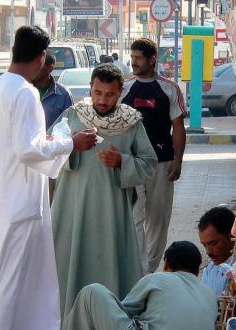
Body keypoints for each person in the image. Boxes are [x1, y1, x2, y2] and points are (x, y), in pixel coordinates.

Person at [0, 26, 97, 330]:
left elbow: (14, 143)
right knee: (14, 288)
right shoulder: (25, 92)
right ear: (41, 57)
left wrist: (48, 142)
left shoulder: (0, 87)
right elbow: (28, 149)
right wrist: (71, 143)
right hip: (17, 206)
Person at [50, 63, 157, 315]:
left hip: (112, 213)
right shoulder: (72, 116)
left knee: (110, 267)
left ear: (120, 92)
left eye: (109, 94)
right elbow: (47, 150)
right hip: (72, 209)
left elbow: (149, 164)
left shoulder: (130, 122)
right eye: (97, 93)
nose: (102, 99)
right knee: (66, 265)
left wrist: (122, 161)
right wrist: (72, 146)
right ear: (90, 89)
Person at [122, 38, 187, 274]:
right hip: (132, 163)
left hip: (162, 162)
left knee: (158, 221)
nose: (133, 62)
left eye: (138, 58)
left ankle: (149, 270)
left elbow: (178, 127)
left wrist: (178, 161)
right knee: (134, 218)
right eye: (132, 57)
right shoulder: (125, 87)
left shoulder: (169, 89)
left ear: (152, 59)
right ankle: (137, 270)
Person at [62, 241, 218, 330]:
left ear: (166, 265)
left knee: (92, 292)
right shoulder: (210, 295)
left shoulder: (158, 279)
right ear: (197, 271)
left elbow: (124, 310)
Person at [198, 206, 236, 296]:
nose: (208, 252)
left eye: (213, 243)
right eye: (204, 245)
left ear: (231, 236)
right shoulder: (210, 270)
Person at [33, 51, 73, 129]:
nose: (33, 69)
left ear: (50, 69)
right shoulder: (25, 90)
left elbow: (69, 124)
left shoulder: (63, 94)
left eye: (39, 66)